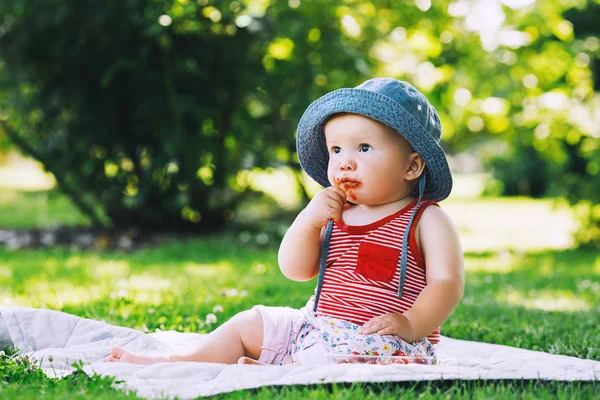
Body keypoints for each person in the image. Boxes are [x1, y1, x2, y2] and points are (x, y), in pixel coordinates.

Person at [107, 77, 464, 366]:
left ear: (411, 166)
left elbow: (447, 284)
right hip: (316, 325)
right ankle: (180, 361)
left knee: (346, 358)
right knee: (251, 322)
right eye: (336, 150)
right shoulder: (334, 212)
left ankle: (281, 370)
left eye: (364, 148)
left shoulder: (425, 219)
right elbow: (295, 269)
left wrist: (412, 324)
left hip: (382, 344)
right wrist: (309, 221)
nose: (344, 162)